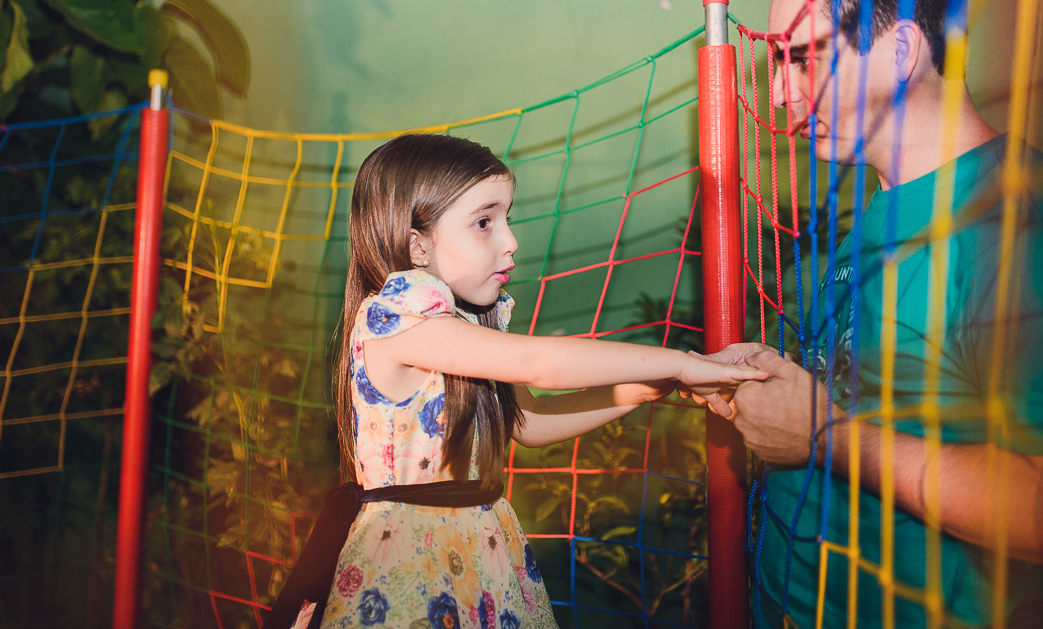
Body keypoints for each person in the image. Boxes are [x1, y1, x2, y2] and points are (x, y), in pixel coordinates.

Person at [695, 0, 1043, 628]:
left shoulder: (1026, 233)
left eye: (803, 59)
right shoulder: (878, 209)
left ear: (902, 52)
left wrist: (823, 435)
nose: (780, 93)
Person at [269, 133, 768, 629]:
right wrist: (677, 363)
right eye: (484, 222)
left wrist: (650, 387)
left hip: (483, 550)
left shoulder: (462, 328)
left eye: (507, 218)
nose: (510, 241)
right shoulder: (394, 317)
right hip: (411, 564)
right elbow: (539, 362)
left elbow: (528, 419)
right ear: (416, 245)